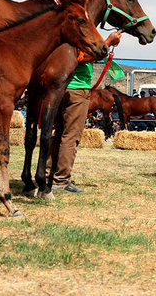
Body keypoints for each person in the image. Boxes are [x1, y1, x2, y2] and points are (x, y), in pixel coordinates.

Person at [46, 30, 122, 194]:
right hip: (77, 89)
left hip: (63, 88)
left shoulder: (65, 34)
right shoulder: (78, 35)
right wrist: (107, 42)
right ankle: (61, 180)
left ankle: (48, 175)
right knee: (71, 136)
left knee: (59, 134)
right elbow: (83, 58)